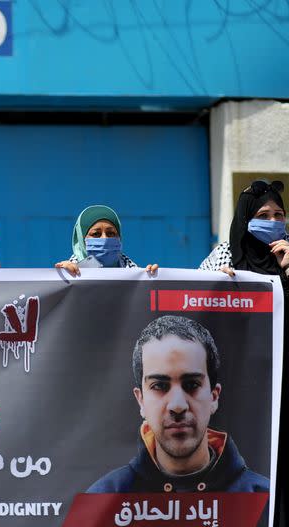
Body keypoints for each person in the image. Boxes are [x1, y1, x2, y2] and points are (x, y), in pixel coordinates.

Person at [88, 315, 269, 493]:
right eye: (159, 386)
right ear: (141, 400)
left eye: (192, 385)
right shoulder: (100, 501)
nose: (177, 405)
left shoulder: (265, 499)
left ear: (214, 397)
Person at [199, 180, 287, 525]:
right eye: (263, 215)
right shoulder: (223, 257)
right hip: (247, 392)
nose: (274, 221)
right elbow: (190, 309)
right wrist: (216, 285)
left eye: (279, 214)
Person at [55, 204, 156, 276]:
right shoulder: (68, 272)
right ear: (82, 239)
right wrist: (63, 277)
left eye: (111, 233)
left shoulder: (133, 272)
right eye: (96, 234)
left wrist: (152, 278)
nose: (105, 238)